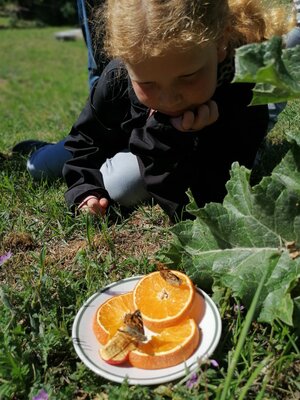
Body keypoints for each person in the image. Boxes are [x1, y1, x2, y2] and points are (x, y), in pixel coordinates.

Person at [12, 0, 299, 184]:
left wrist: (175, 140)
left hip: (155, 145)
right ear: (124, 62)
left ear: (220, 44)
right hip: (118, 130)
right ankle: (44, 150)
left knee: (124, 187)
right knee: (40, 168)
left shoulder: (240, 84)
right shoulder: (118, 76)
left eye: (188, 77)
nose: (169, 98)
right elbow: (87, 139)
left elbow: (215, 188)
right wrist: (83, 188)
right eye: (147, 84)